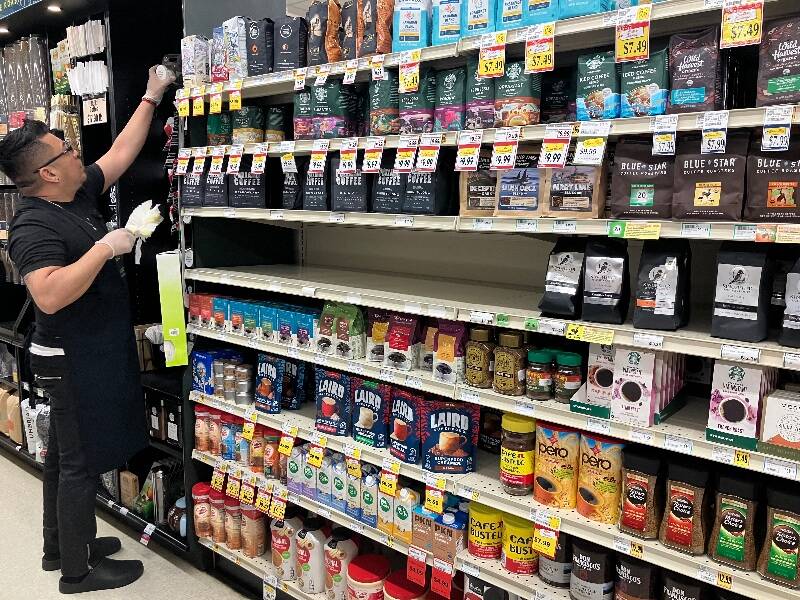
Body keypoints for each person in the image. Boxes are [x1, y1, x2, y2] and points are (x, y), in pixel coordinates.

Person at [0, 66, 174, 594]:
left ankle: (62, 546)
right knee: (76, 463)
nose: (78, 154)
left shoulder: (71, 194)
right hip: (69, 357)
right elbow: (48, 292)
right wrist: (106, 248)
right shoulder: (33, 224)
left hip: (89, 349)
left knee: (60, 455)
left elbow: (120, 154)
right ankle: (77, 574)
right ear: (48, 173)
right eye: (67, 151)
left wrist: (151, 94)